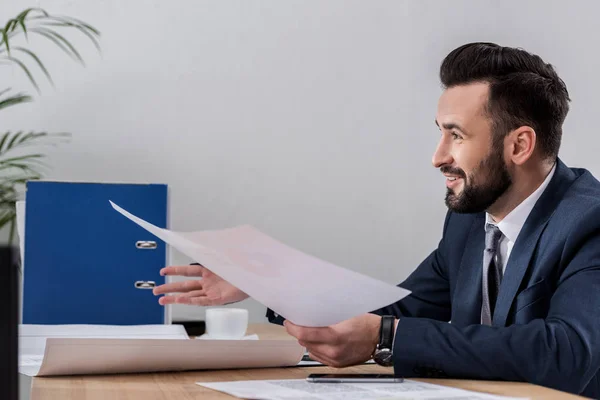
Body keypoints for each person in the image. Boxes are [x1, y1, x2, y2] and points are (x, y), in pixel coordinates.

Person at [153, 42, 600, 398]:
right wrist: (262, 279)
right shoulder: (468, 223)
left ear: (519, 146)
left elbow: (568, 353)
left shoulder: (590, 220)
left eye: (456, 135)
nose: (437, 156)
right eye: (439, 132)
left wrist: (385, 336)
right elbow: (394, 313)